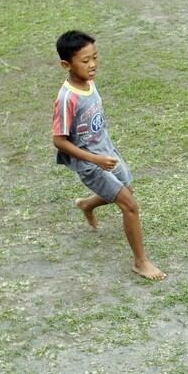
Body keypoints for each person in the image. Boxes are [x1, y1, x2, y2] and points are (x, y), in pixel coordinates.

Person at [52, 30, 166, 281]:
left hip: (107, 152)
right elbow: (58, 140)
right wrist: (94, 160)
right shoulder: (66, 99)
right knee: (130, 205)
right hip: (91, 164)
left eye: (95, 57)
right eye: (85, 61)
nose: (92, 65)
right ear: (65, 65)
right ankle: (140, 262)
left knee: (126, 188)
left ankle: (87, 204)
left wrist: (105, 151)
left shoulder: (89, 82)